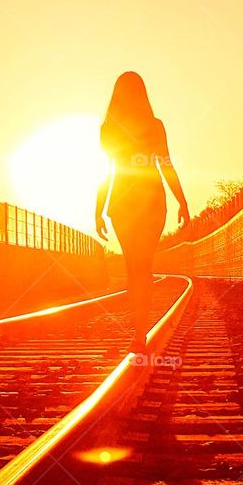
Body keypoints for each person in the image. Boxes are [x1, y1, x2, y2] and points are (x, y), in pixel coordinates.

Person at [95, 71, 189, 352]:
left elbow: (109, 172)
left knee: (132, 267)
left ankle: (138, 332)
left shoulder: (109, 128)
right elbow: (165, 164)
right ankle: (139, 332)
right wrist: (182, 201)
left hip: (123, 202)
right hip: (151, 200)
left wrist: (98, 209)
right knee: (143, 267)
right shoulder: (154, 126)